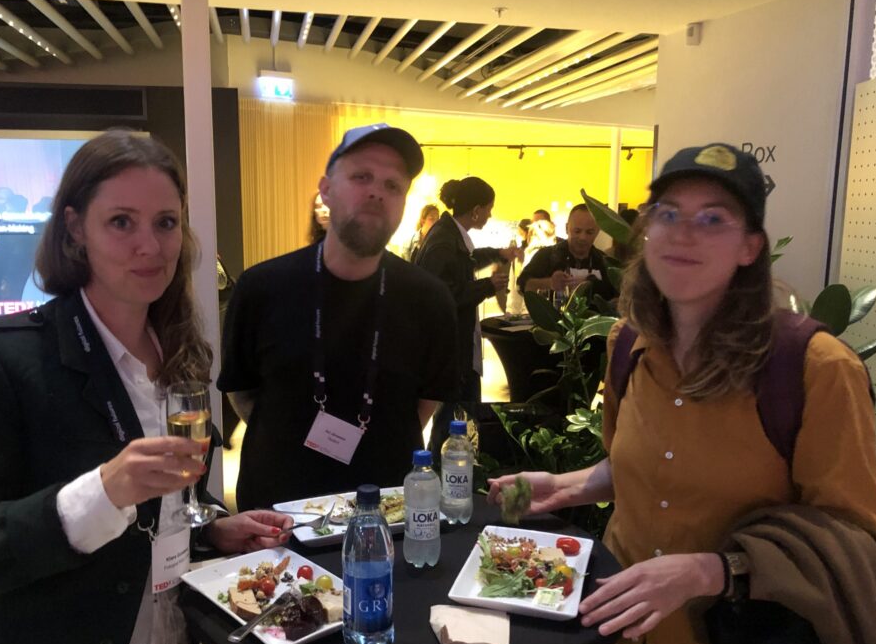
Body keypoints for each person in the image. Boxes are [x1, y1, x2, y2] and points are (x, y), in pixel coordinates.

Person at [488, 143, 876, 644]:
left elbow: (850, 542)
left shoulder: (816, 370)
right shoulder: (626, 345)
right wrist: (566, 486)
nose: (684, 234)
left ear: (750, 247)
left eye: (713, 219)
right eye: (668, 214)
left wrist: (716, 568)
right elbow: (641, 468)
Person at [0, 130, 294, 644]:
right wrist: (102, 491)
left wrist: (211, 529)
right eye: (122, 221)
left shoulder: (181, 356)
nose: (151, 245)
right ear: (74, 230)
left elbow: (167, 505)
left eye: (167, 222)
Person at [220, 123, 458, 510]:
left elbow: (425, 402)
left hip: (386, 509)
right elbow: (241, 391)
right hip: (278, 508)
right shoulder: (261, 287)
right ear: (326, 190)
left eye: (393, 185)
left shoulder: (430, 299)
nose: (377, 191)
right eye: (361, 176)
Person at [414, 176, 516, 455]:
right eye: (489, 208)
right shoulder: (444, 240)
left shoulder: (449, 234)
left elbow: (466, 261)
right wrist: (487, 286)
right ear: (476, 210)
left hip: (455, 345)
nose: (490, 215)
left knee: (458, 413)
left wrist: (498, 254)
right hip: (450, 347)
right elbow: (439, 293)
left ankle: (446, 470)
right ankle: (437, 471)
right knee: (452, 417)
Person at [517, 203, 617, 301]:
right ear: (566, 228)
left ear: (597, 232)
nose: (583, 237)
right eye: (577, 231)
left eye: (589, 232)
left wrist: (592, 285)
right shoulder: (546, 256)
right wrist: (549, 283)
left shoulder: (605, 262)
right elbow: (522, 286)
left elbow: (615, 296)